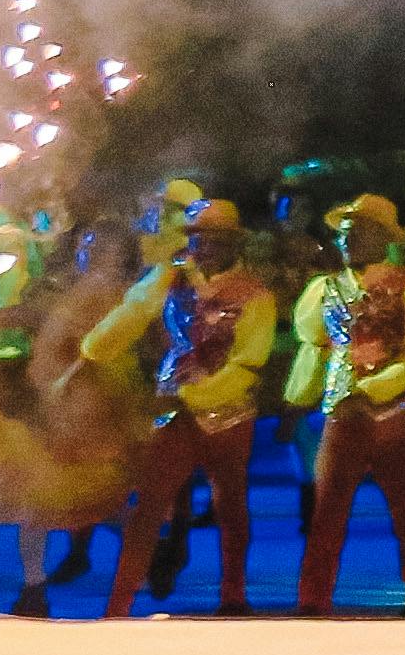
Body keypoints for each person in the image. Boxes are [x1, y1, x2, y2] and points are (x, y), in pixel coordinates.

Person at [102, 199, 283, 617]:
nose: (206, 247)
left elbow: (251, 359)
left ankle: (233, 594)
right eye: (200, 238)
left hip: (229, 412)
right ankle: (120, 601)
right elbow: (132, 316)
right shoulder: (170, 281)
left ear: (235, 243)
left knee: (231, 506)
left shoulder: (255, 293)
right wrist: (100, 349)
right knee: (148, 505)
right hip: (174, 411)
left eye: (217, 239)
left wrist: (195, 396)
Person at [287, 195, 405, 614]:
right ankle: (313, 596)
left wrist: (374, 389)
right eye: (344, 234)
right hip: (343, 411)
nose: (348, 240)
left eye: (358, 232)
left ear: (384, 237)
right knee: (326, 509)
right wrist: (307, 394)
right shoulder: (324, 289)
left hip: (392, 412)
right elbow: (315, 344)